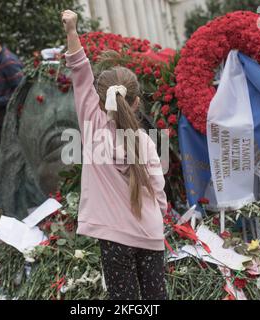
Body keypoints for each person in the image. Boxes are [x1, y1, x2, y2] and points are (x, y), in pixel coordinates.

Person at [62, 10, 168, 300]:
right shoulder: (145, 141)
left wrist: (72, 30)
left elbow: (80, 72)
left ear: (98, 99)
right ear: (136, 102)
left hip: (114, 237)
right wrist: (160, 215)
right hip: (150, 231)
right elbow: (158, 190)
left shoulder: (92, 128)